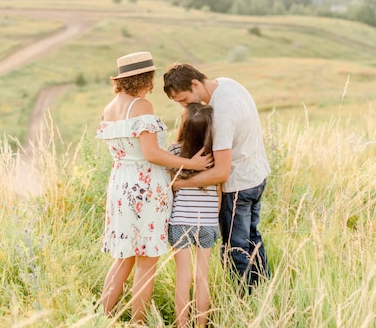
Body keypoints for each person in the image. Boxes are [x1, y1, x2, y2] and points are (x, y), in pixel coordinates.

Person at [96, 52, 212, 324]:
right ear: (143, 78)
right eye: (150, 77)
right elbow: (152, 154)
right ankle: (138, 323)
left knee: (124, 257)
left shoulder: (110, 107)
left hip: (120, 184)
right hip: (145, 188)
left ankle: (101, 318)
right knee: (147, 262)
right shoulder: (141, 106)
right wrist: (189, 163)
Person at [163, 62, 271, 291]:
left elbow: (221, 172)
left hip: (238, 187)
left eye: (183, 99)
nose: (184, 106)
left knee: (237, 248)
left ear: (194, 84)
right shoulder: (227, 83)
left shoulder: (220, 112)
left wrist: (180, 184)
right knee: (253, 239)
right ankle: (264, 290)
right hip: (256, 175)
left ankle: (246, 300)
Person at [167, 103, 219, 328]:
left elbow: (170, 186)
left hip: (180, 221)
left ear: (183, 126)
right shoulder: (216, 155)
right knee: (202, 277)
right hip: (207, 222)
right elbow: (219, 191)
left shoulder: (174, 152)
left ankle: (181, 325)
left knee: (183, 277)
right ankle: (201, 325)